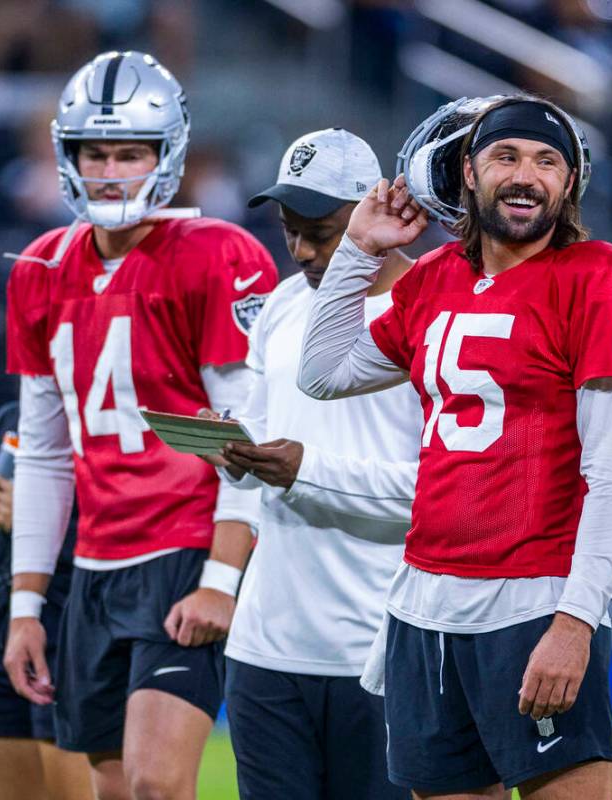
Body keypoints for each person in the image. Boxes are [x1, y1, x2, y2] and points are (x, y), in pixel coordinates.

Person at [298, 95, 612, 798]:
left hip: (533, 598)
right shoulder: (436, 278)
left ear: (571, 182)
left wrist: (576, 621)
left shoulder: (607, 277)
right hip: (422, 602)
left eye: (546, 161)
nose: (526, 176)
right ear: (468, 172)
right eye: (506, 157)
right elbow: (322, 373)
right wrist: (359, 248)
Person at [3, 51, 276, 800]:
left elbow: (244, 435)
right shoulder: (39, 266)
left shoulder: (216, 253)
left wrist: (221, 577)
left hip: (183, 549)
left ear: (168, 157)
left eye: (132, 153)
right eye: (97, 152)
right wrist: (28, 604)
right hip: (93, 565)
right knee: (116, 790)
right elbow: (46, 455)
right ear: (69, 156)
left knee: (159, 785)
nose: (113, 170)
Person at [209, 128, 417, 800]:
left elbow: (446, 495)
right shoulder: (282, 305)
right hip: (264, 649)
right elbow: (265, 449)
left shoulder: (435, 312)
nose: (300, 251)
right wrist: (232, 451)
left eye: (320, 232)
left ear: (373, 211)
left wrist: (306, 469)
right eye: (288, 229)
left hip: (382, 652)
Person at [0, 403, 92, 800]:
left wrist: (33, 522)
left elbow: (123, 533)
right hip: (0, 631)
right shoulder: (10, 416)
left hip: (69, 629)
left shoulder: (102, 422)